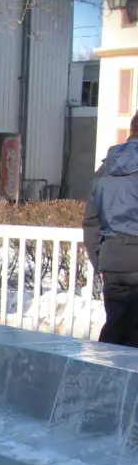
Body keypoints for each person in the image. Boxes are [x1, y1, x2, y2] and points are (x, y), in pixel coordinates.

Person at [84, 112, 138, 347]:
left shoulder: (105, 169)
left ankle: (104, 378)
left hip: (112, 260)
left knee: (115, 325)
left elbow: (91, 222)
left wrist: (100, 261)